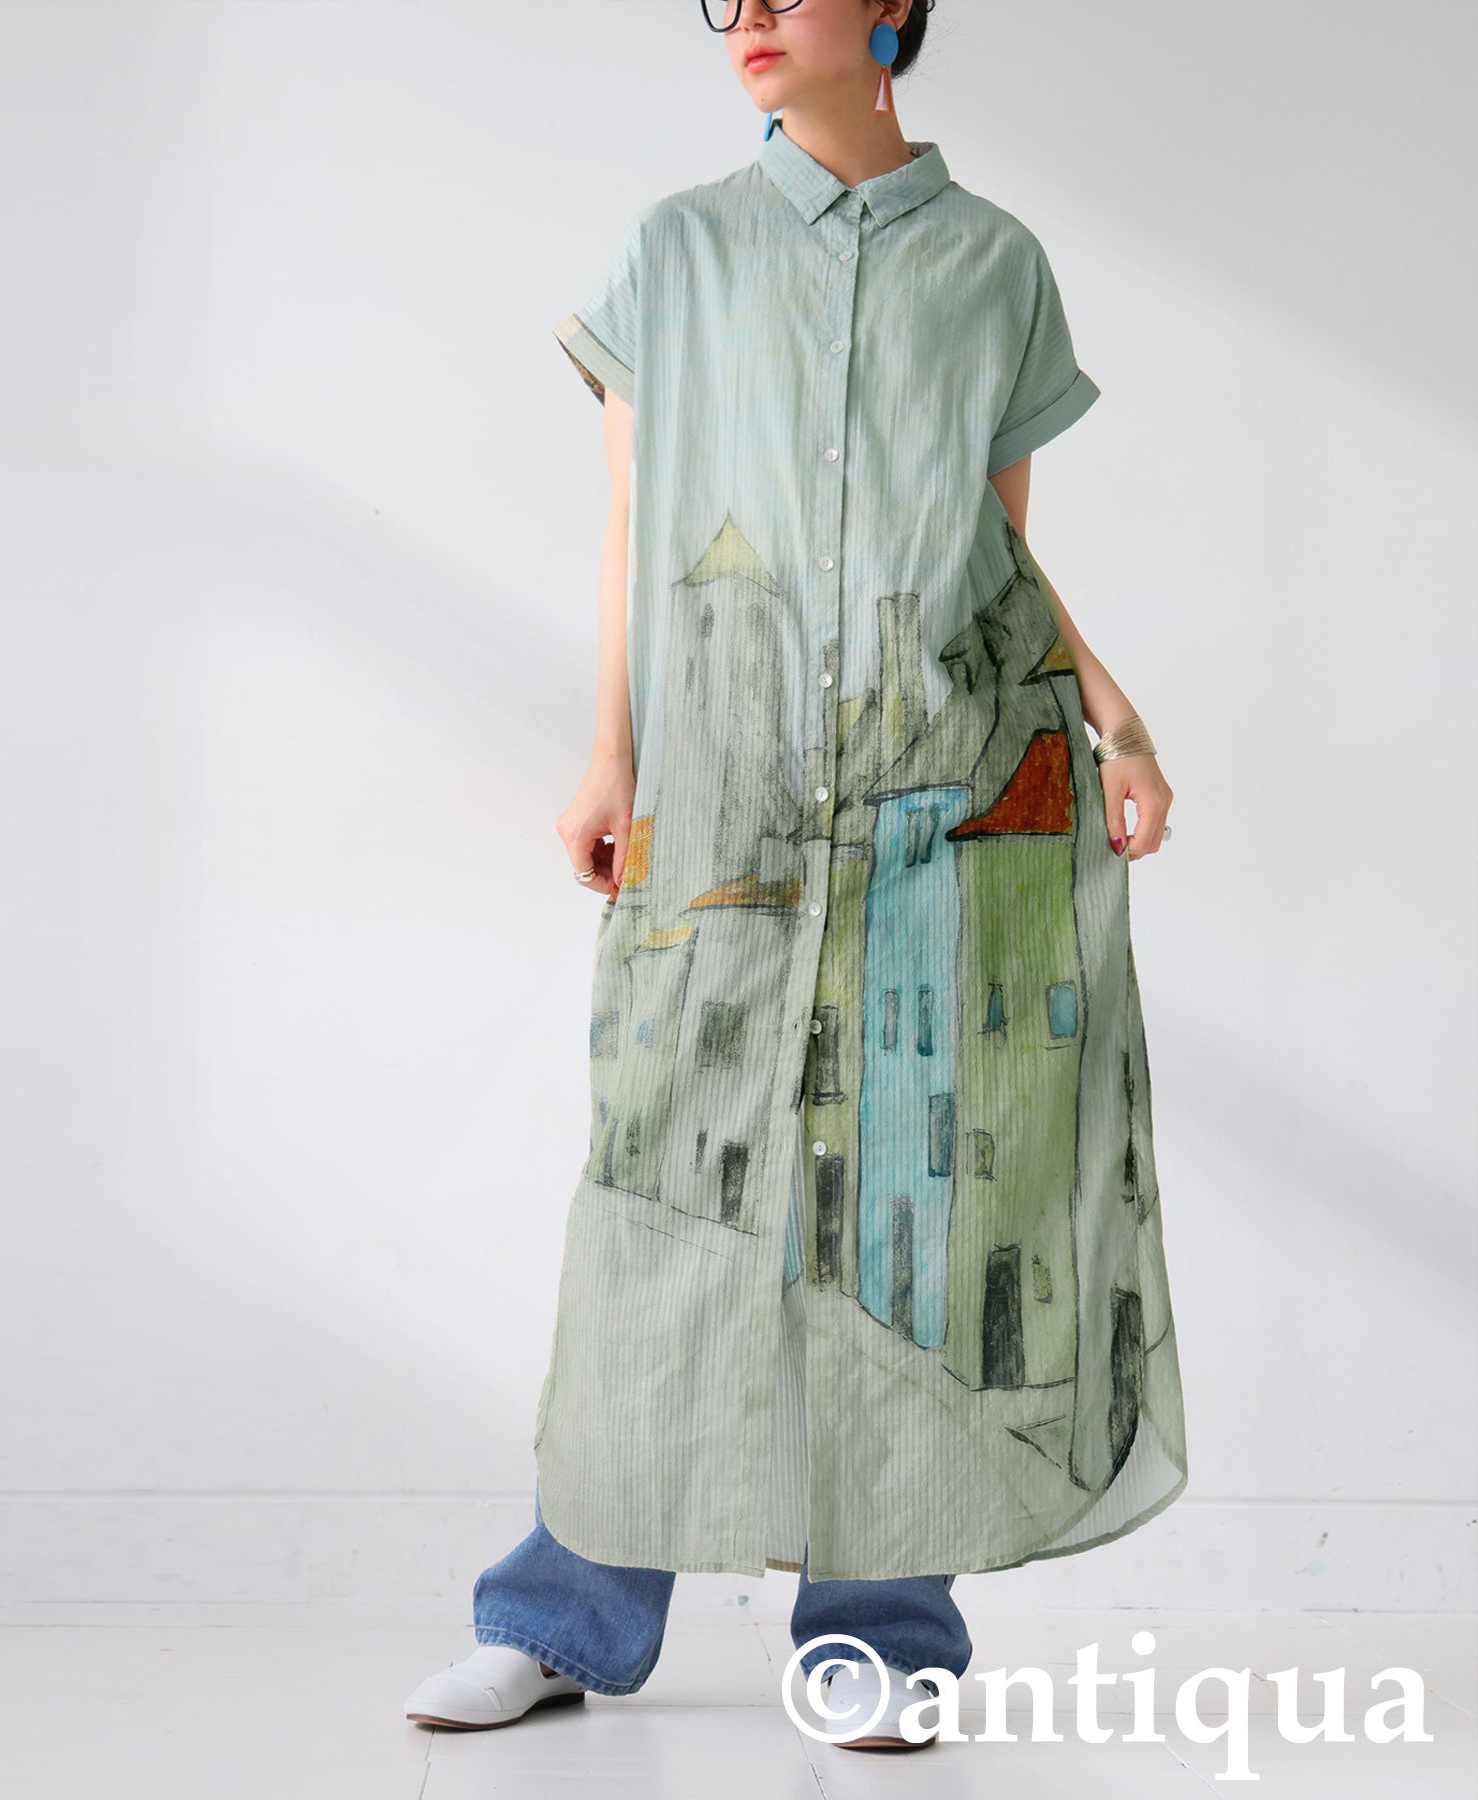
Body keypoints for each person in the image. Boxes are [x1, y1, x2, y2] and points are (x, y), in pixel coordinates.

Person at [405, 0, 1186, 1755]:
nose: (747, 14)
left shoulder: (997, 265)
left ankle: (878, 1639)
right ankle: (561, 1616)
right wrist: (609, 754)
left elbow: (996, 553)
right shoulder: (676, 250)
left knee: (904, 1205)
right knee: (663, 1197)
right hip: (727, 798)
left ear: (894, 8)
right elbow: (632, 524)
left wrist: (1115, 717)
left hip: (939, 790)